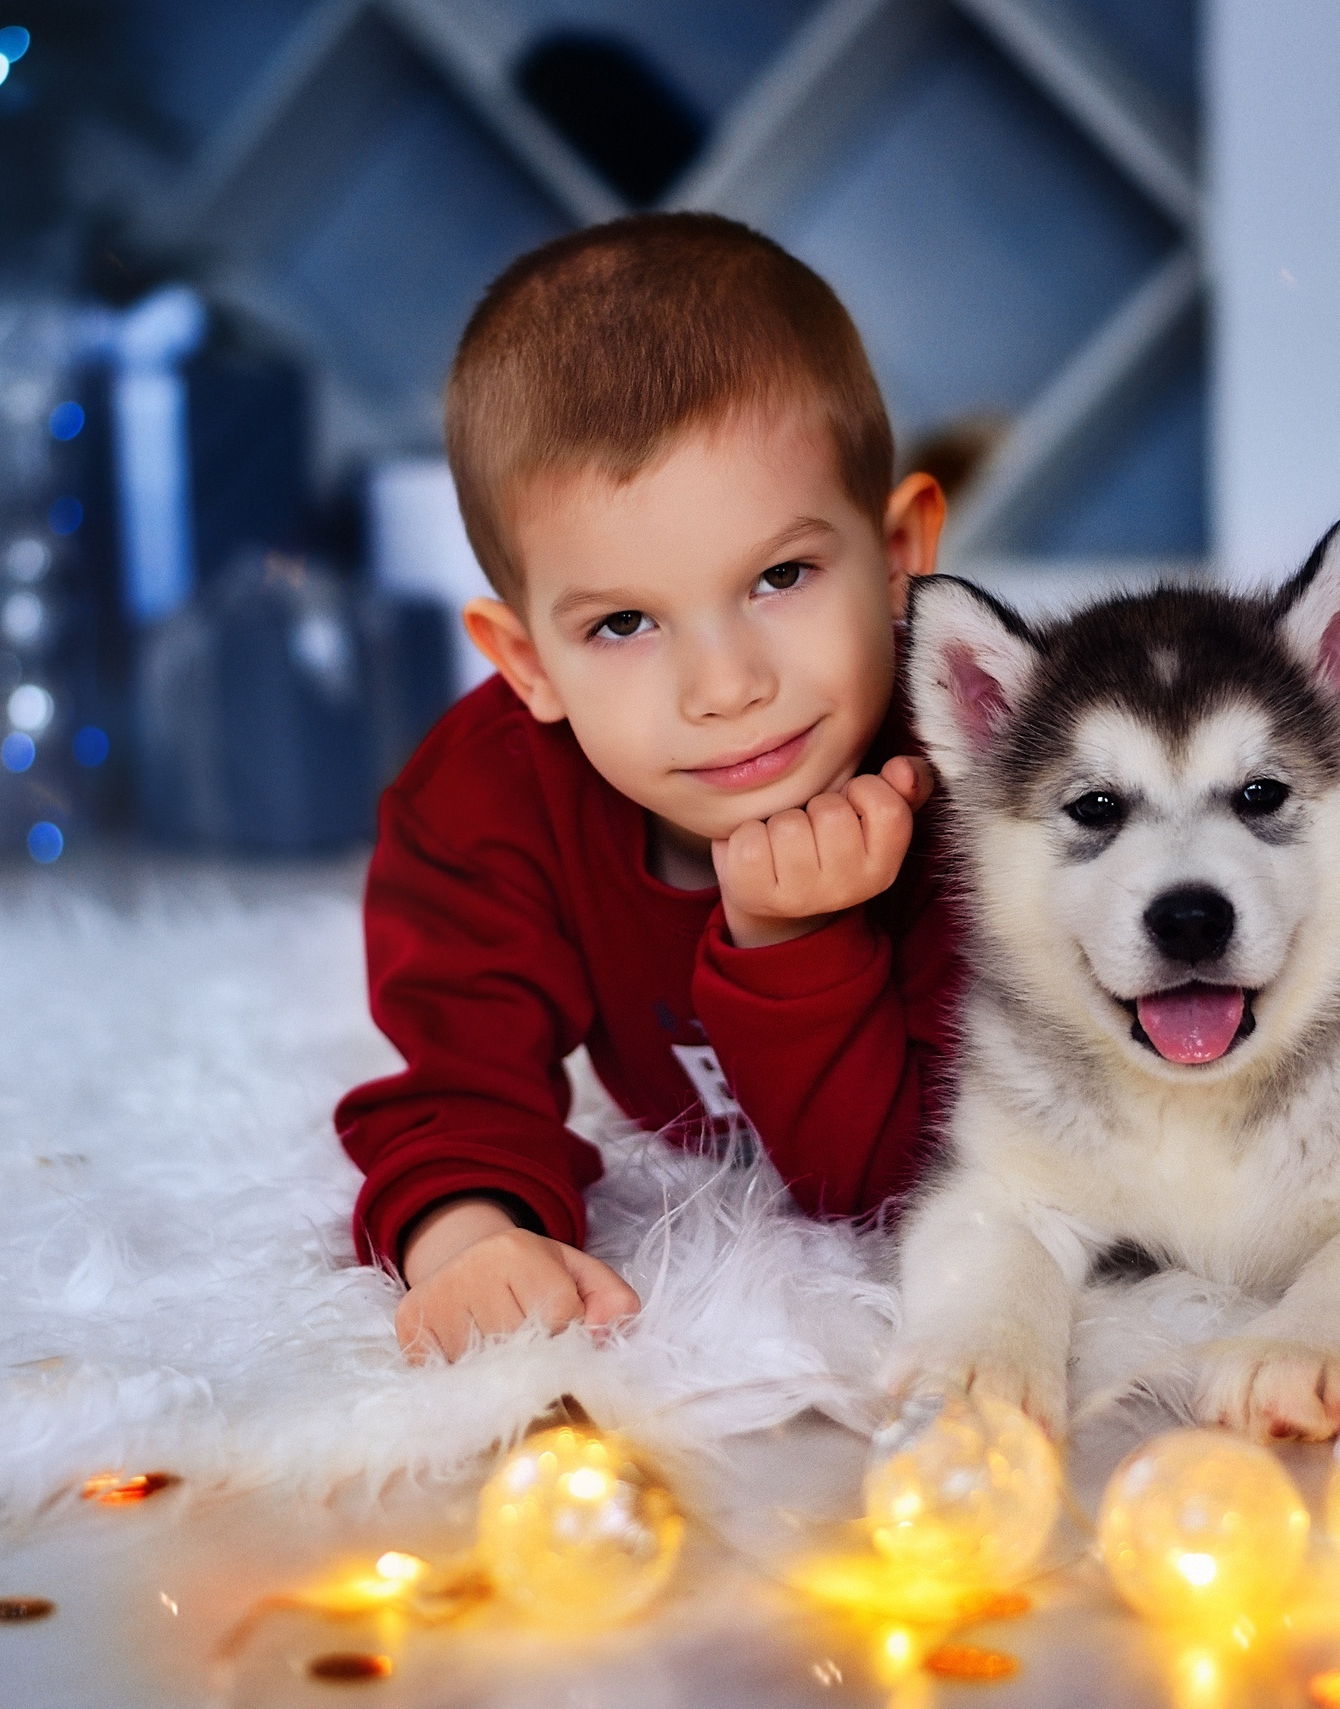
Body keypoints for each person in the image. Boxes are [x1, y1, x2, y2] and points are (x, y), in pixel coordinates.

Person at [337, 212, 958, 1360]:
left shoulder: (984, 770)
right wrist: (473, 1243)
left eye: (781, 575)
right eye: (622, 621)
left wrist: (792, 935)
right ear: (527, 662)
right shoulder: (482, 801)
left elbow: (888, 1187)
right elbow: (453, 1095)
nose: (725, 687)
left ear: (900, 553)